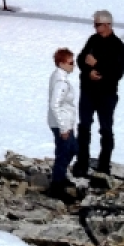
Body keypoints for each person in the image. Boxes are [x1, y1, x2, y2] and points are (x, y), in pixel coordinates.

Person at [72, 9, 124, 177]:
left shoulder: (117, 45)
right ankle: (82, 162)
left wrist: (98, 65)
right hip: (88, 90)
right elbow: (81, 59)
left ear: (107, 25)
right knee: (84, 127)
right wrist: (89, 71)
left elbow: (117, 72)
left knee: (106, 129)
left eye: (97, 24)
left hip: (106, 93)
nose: (95, 27)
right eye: (94, 24)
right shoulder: (93, 40)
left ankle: (104, 165)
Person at [46, 47, 78, 202]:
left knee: (72, 148)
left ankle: (60, 176)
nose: (74, 65)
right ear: (61, 63)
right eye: (71, 62)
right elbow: (55, 104)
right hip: (62, 124)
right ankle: (56, 186)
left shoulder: (60, 77)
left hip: (65, 123)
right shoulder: (61, 81)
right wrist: (63, 127)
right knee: (63, 152)